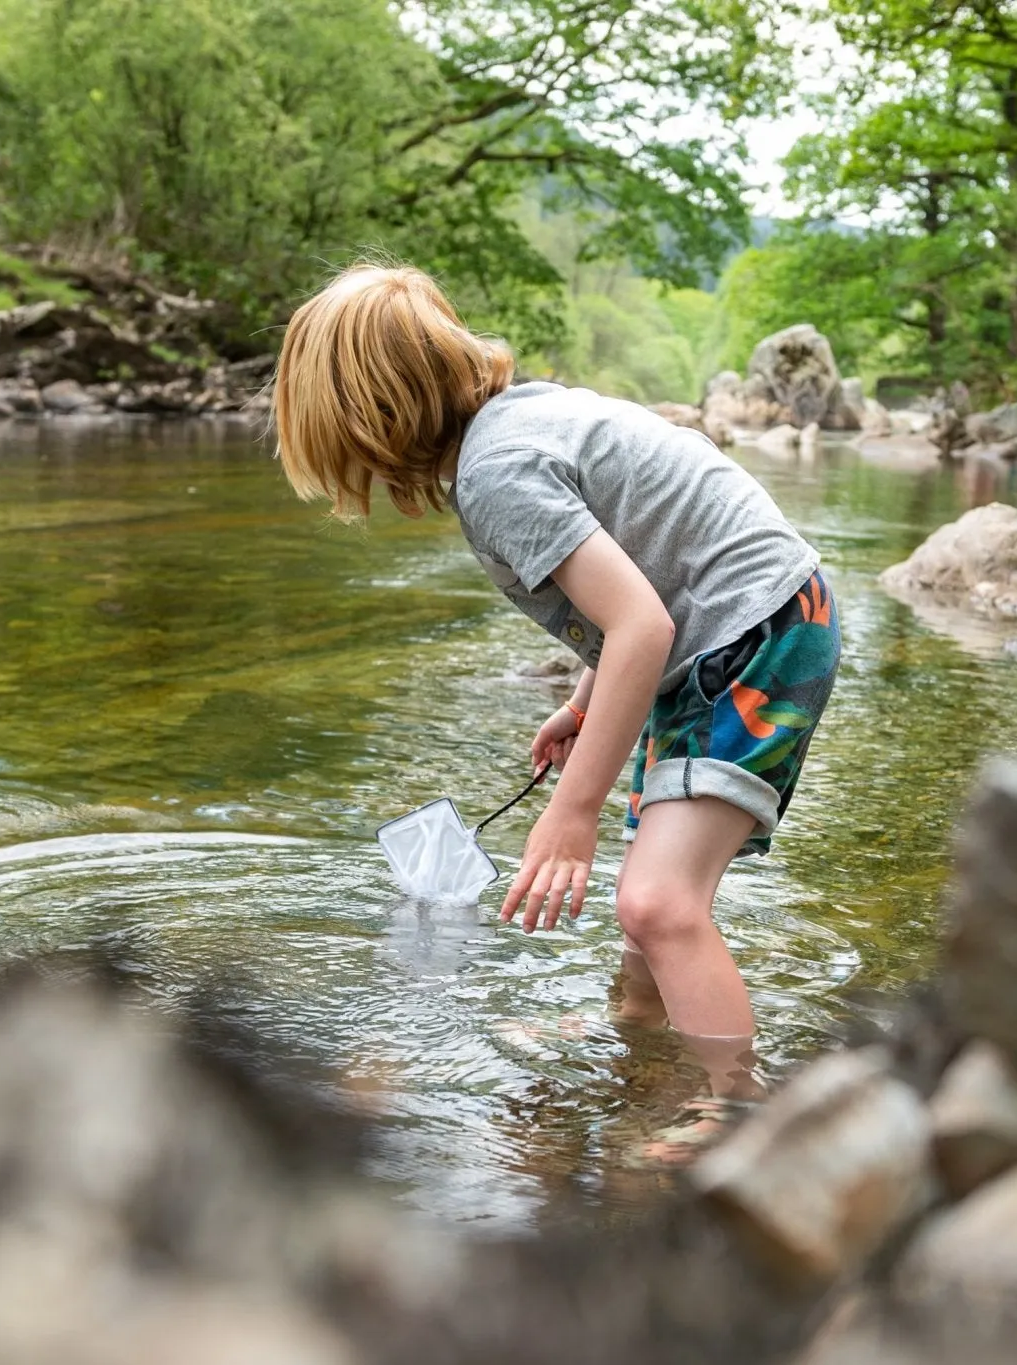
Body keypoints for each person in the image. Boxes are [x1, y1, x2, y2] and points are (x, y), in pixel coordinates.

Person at [271, 262, 839, 1097]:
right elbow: (644, 568)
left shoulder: (496, 475)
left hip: (753, 635)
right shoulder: (519, 420)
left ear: (373, 419)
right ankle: (641, 1051)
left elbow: (643, 623)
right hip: (739, 625)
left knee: (658, 904)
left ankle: (737, 1111)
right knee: (652, 902)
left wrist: (572, 811)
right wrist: (584, 699)